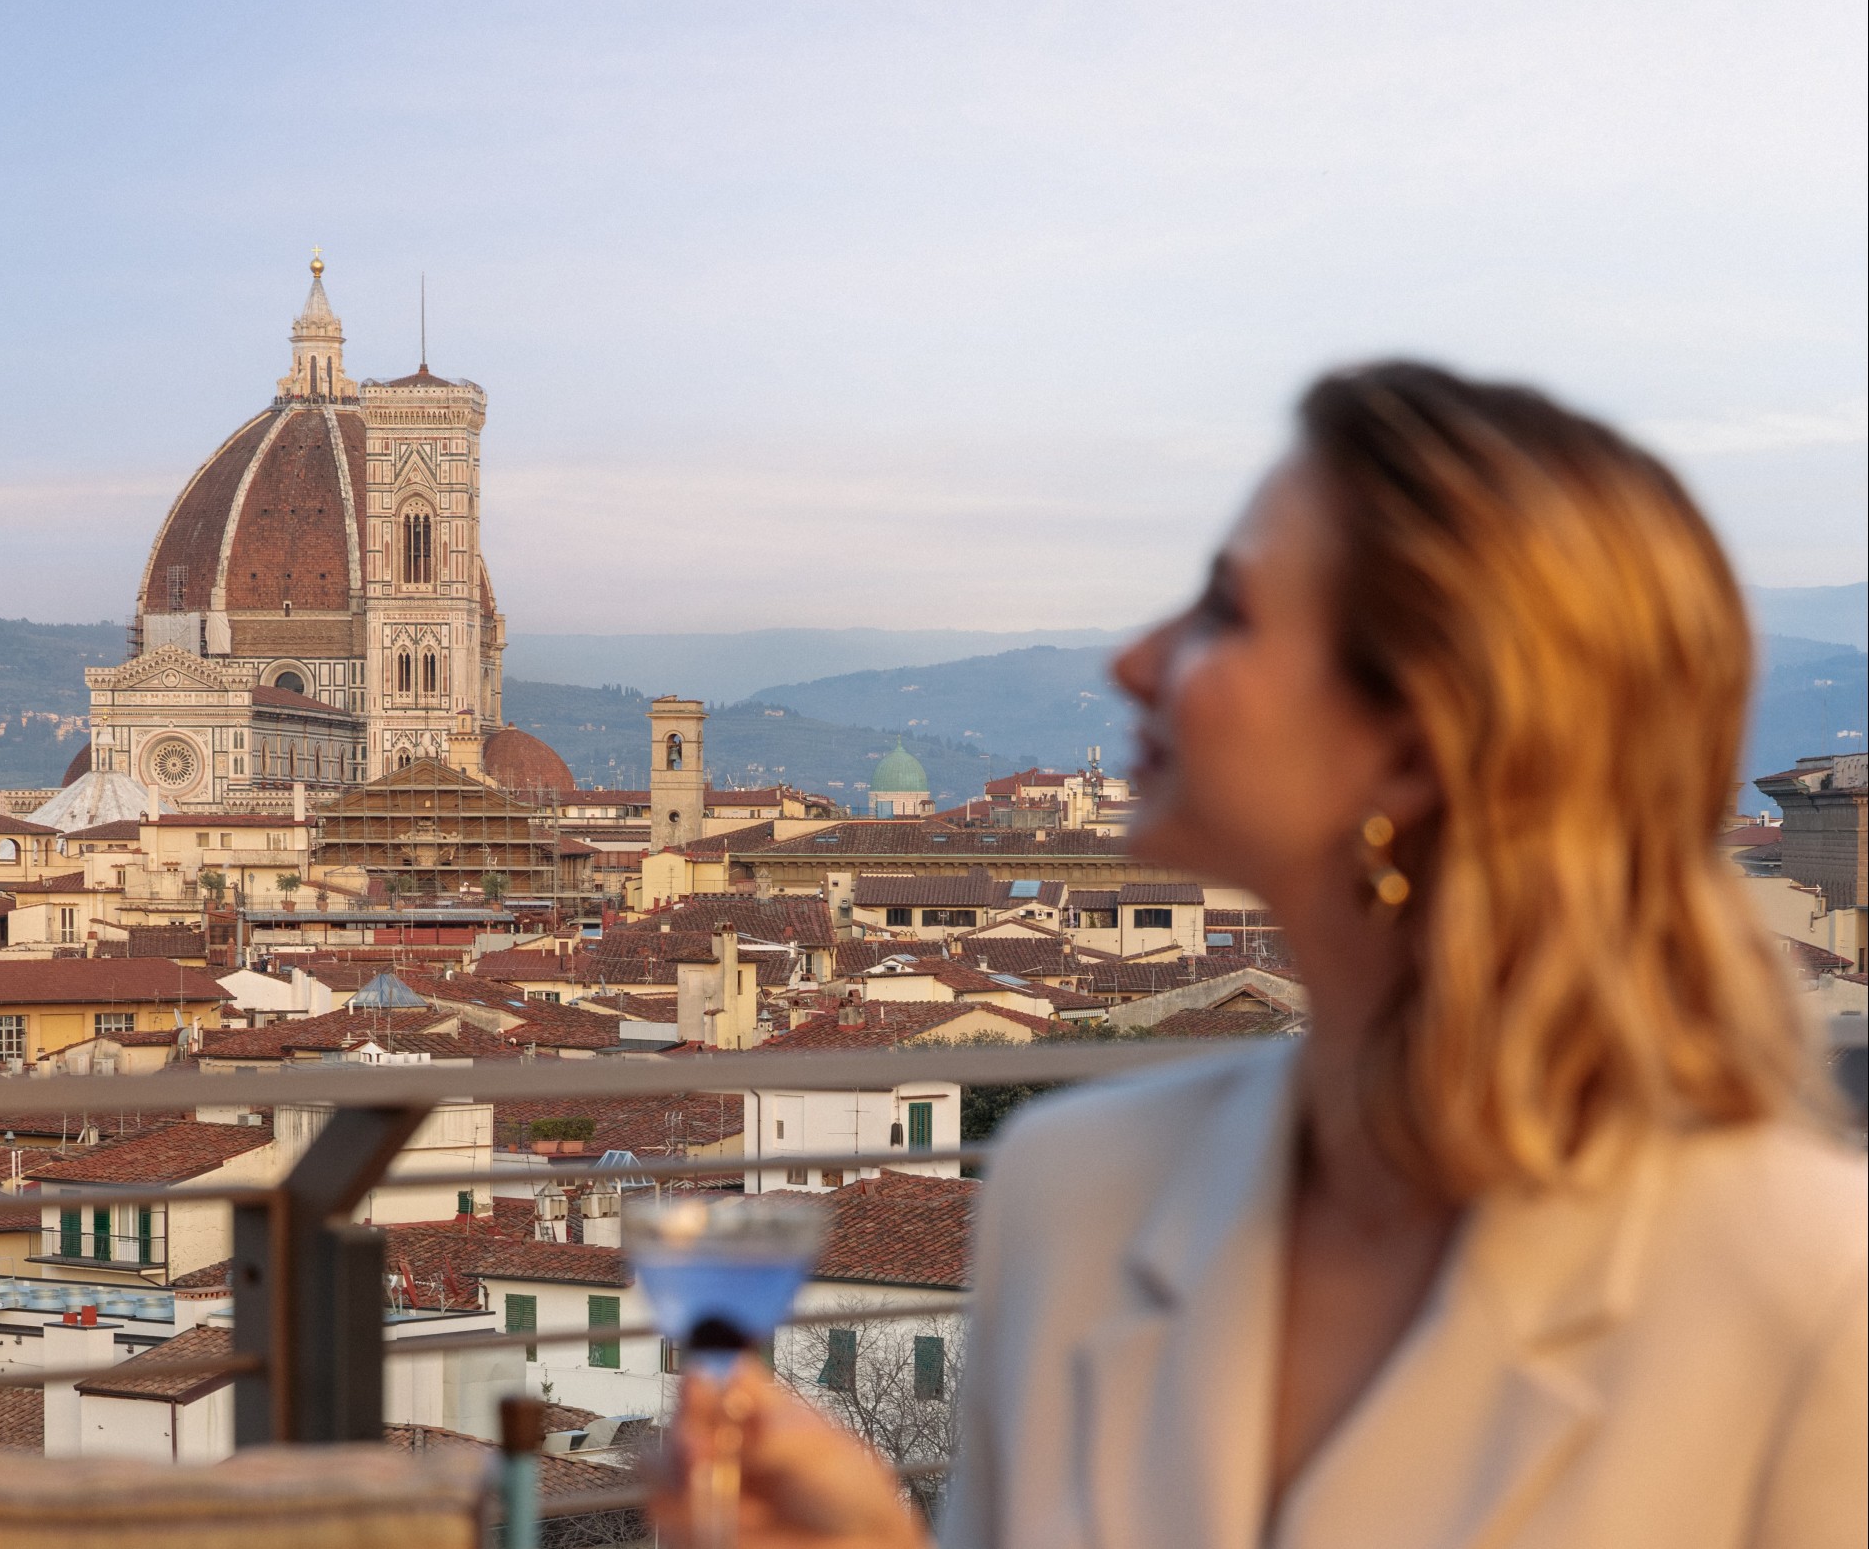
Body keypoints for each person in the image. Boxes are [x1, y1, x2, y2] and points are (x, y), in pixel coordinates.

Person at [652, 362, 1868, 1549]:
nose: (1133, 662)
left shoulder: (1810, 1299)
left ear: (1416, 739)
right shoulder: (1072, 1186)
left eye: (1226, 612)